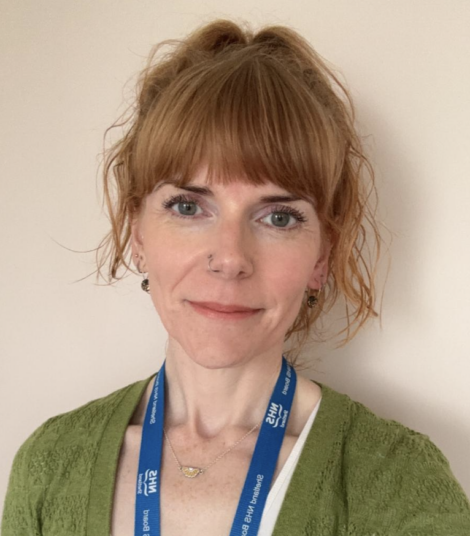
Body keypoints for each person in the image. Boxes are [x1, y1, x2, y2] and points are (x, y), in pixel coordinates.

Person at [2, 19, 470, 536]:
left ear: (321, 257)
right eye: (187, 206)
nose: (229, 257)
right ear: (137, 232)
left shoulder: (396, 485)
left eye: (278, 217)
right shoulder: (49, 466)